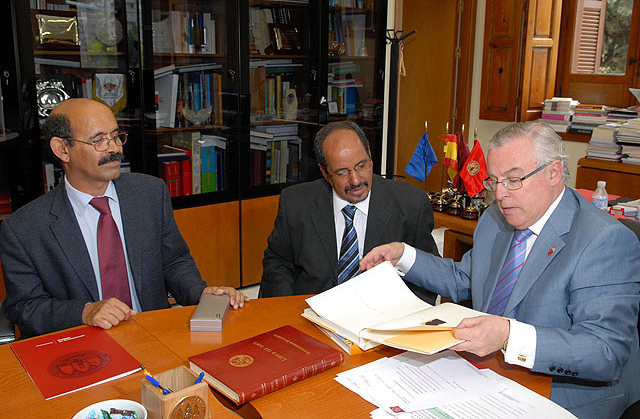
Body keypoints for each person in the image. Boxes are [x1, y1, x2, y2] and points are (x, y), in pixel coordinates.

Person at [361, 120, 640, 418]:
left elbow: (605, 352)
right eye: (494, 181)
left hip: (565, 394)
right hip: (490, 378)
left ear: (554, 173)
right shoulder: (496, 219)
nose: (501, 194)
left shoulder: (603, 240)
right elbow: (466, 279)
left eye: (514, 179)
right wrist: (403, 256)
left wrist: (509, 336)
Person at [0, 98, 247, 338]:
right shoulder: (23, 228)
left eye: (116, 136)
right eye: (99, 140)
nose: (115, 148)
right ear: (62, 149)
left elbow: (173, 260)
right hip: (81, 345)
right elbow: (25, 306)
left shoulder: (149, 193)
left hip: (153, 335)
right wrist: (84, 312)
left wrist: (200, 294)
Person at [260, 121, 440, 303]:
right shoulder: (296, 202)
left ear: (369, 154)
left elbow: (427, 273)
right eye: (342, 172)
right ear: (324, 172)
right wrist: (286, 314)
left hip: (383, 321)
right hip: (311, 317)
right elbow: (278, 263)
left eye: (361, 165)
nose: (355, 180)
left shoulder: (411, 204)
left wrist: (405, 321)